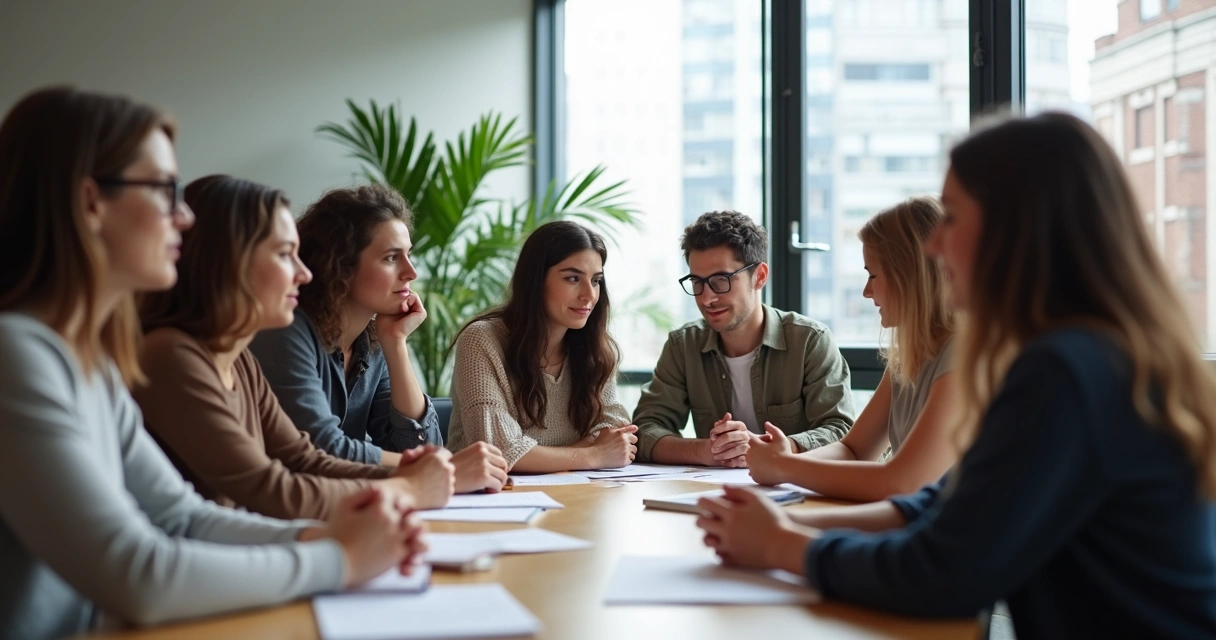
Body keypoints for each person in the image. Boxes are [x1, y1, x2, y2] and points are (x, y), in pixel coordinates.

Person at [695, 112, 1216, 638]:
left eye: (952, 218)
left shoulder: (1066, 369)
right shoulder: (1078, 353)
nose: (936, 246)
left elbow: (942, 571)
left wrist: (782, 545)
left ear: (1015, 229)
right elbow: (941, 503)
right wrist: (782, 523)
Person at [0, 87, 424, 639]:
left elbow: (182, 518)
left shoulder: (92, 364)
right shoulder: (16, 356)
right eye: (163, 191)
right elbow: (137, 573)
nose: (182, 218)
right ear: (89, 203)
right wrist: (340, 560)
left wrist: (324, 540)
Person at [134, 174, 455, 521]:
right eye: (286, 254)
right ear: (232, 262)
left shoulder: (240, 361)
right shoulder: (172, 355)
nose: (304, 273)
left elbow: (304, 458)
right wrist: (412, 486)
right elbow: (275, 485)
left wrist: (423, 475)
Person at [249, 185, 508, 493]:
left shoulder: (372, 344)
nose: (411, 272)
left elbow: (418, 446)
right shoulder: (287, 331)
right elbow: (321, 449)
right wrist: (444, 470)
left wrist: (396, 345)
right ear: (340, 266)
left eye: (408, 255)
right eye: (390, 258)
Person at [746, 197, 958, 501]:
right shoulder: (911, 353)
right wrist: (784, 458)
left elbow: (902, 482)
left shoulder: (961, 355)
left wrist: (784, 467)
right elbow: (855, 449)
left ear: (908, 276)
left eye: (873, 274)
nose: (866, 291)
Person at [632, 210, 855, 467]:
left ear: (759, 276)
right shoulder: (683, 345)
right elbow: (646, 429)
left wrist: (777, 448)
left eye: (720, 280)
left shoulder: (810, 341)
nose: (706, 298)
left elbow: (842, 431)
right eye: (697, 282)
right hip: (712, 492)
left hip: (796, 490)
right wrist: (705, 451)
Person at [447, 221, 637, 472]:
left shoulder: (596, 350)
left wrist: (543, 456)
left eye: (596, 280)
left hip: (577, 498)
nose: (589, 295)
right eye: (572, 278)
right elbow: (499, 452)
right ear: (535, 280)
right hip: (493, 501)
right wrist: (594, 456)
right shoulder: (481, 340)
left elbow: (616, 432)